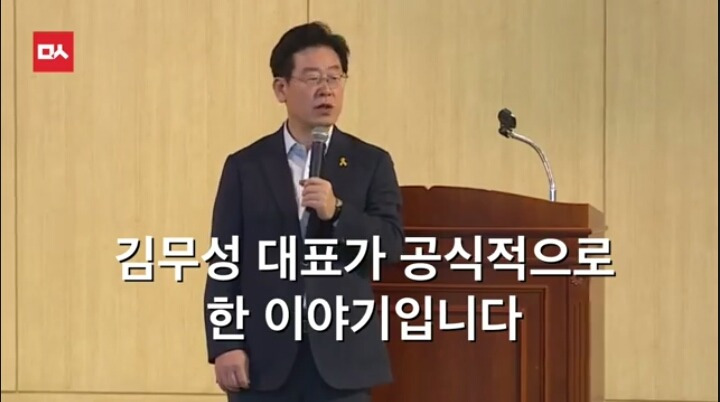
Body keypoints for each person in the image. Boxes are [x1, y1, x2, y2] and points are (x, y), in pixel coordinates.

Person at [203, 21, 404, 402]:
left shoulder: (370, 162)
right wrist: (225, 342)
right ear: (281, 88)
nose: (326, 89)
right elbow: (224, 262)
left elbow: (391, 246)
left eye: (334, 77)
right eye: (312, 78)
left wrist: (338, 212)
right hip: (263, 360)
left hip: (342, 362)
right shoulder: (246, 166)